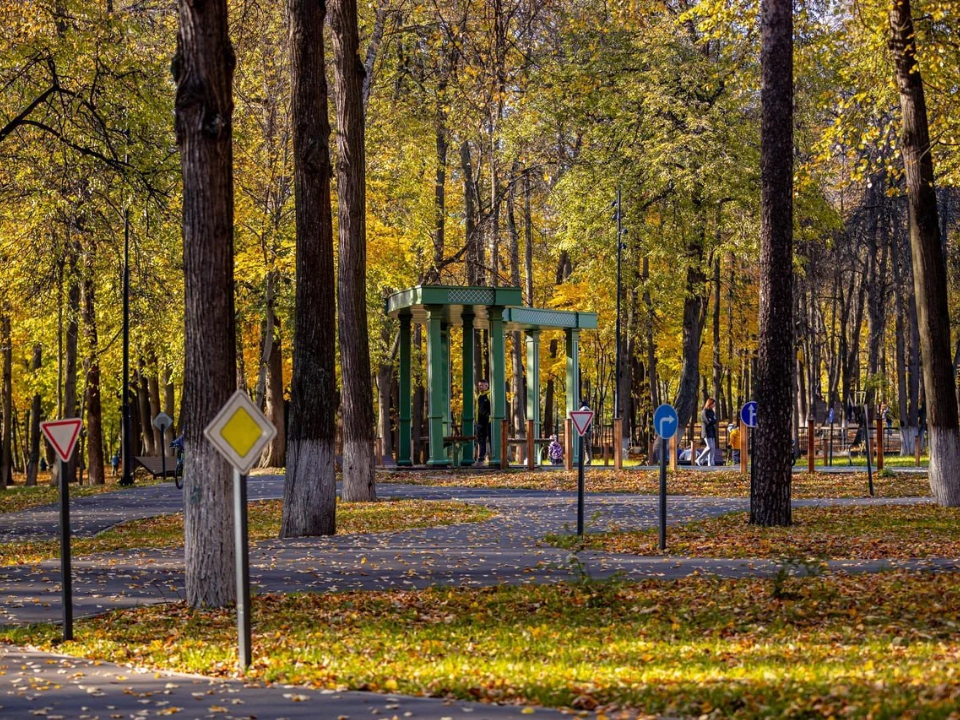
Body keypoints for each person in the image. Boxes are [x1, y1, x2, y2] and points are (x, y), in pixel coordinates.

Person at [696, 397, 718, 466]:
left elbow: (715, 420)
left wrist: (712, 420)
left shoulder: (712, 412)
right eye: (713, 404)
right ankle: (699, 459)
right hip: (706, 432)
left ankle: (710, 462)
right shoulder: (704, 412)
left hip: (712, 431)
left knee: (713, 448)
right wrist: (712, 420)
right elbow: (708, 422)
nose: (714, 405)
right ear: (709, 404)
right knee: (709, 447)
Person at [476, 379, 491, 464]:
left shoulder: (489, 395)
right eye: (479, 385)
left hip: (488, 422)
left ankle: (493, 458)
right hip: (480, 422)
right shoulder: (479, 396)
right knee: (481, 441)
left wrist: (490, 418)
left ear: (487, 386)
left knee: (491, 440)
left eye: (481, 385)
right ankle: (481, 459)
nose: (480, 387)